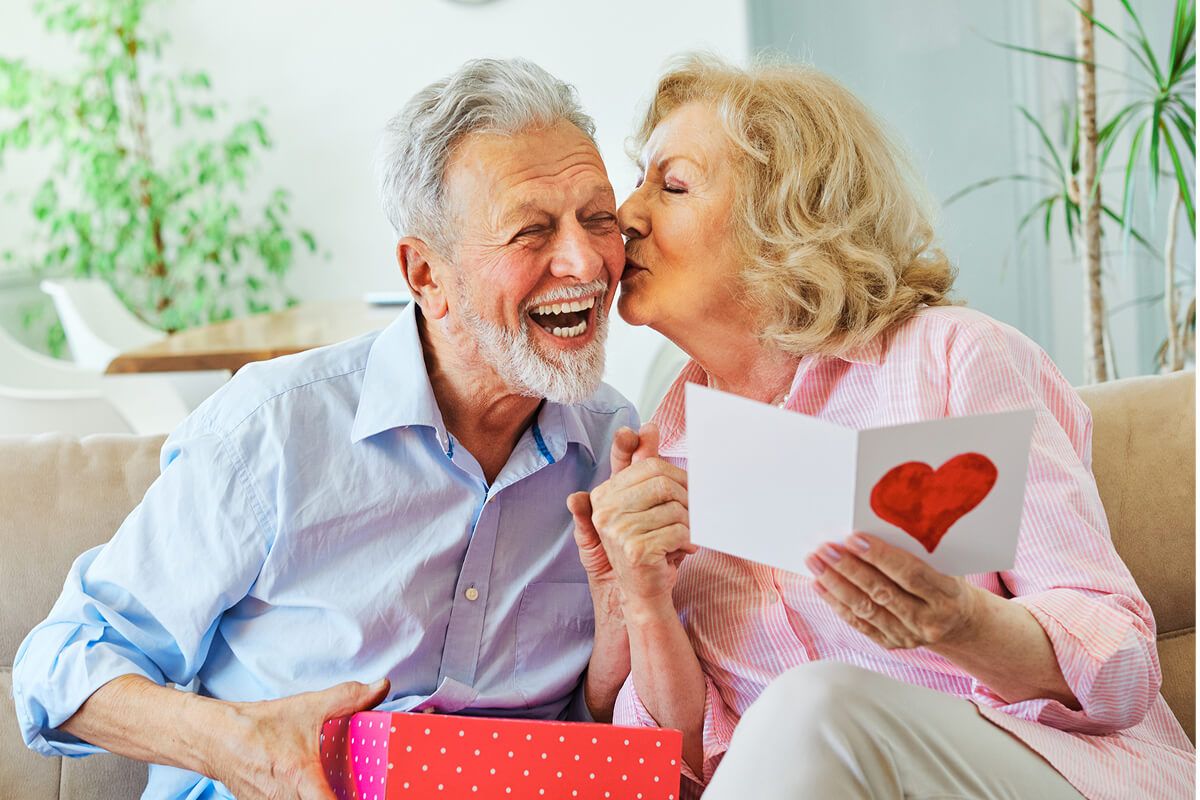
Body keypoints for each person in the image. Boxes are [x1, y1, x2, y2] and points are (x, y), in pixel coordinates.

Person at [571, 54, 1195, 799]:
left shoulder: (952, 359)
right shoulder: (665, 446)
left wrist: (961, 623)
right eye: (639, 181)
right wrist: (643, 602)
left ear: (786, 218)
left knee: (814, 704)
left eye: (671, 185)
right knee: (801, 715)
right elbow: (685, 772)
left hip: (1046, 774)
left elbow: (1120, 656)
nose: (628, 214)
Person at [13, 58, 636, 800]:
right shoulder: (273, 431)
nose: (586, 259)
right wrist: (241, 745)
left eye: (599, 218)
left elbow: (592, 731)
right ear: (426, 277)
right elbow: (60, 664)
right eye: (531, 231)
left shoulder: (611, 446)